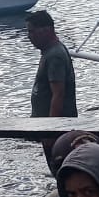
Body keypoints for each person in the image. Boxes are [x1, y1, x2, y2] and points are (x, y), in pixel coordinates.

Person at [27, 9, 77, 165]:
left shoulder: (55, 55)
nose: (29, 36)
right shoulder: (49, 52)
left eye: (32, 31)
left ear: (46, 30)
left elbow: (58, 94)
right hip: (48, 127)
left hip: (57, 130)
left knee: (60, 165)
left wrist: (50, 130)